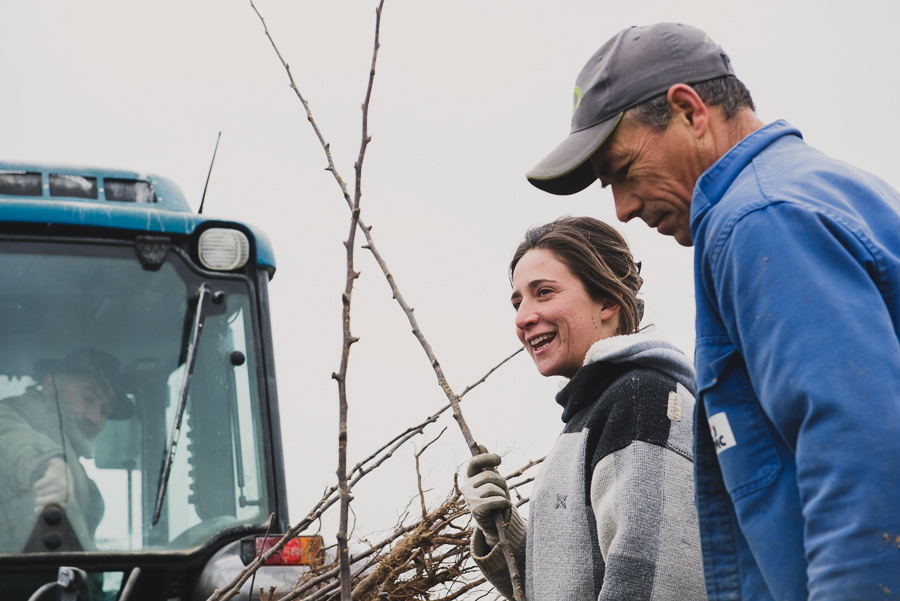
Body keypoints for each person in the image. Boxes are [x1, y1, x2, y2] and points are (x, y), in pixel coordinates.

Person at [524, 22, 900, 600]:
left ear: (689, 112)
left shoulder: (759, 220)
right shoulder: (822, 188)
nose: (621, 210)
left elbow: (860, 454)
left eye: (623, 170)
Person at [460, 217, 705, 600]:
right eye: (518, 300)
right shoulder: (593, 412)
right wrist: (501, 529)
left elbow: (655, 582)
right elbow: (565, 587)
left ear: (607, 300)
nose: (523, 317)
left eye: (544, 292)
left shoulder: (641, 400)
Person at [0, 348, 133, 553]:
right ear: (50, 384)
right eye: (88, 398)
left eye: (105, 410)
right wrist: (50, 463)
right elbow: (6, 430)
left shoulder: (76, 469)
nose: (94, 417)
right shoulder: (19, 414)